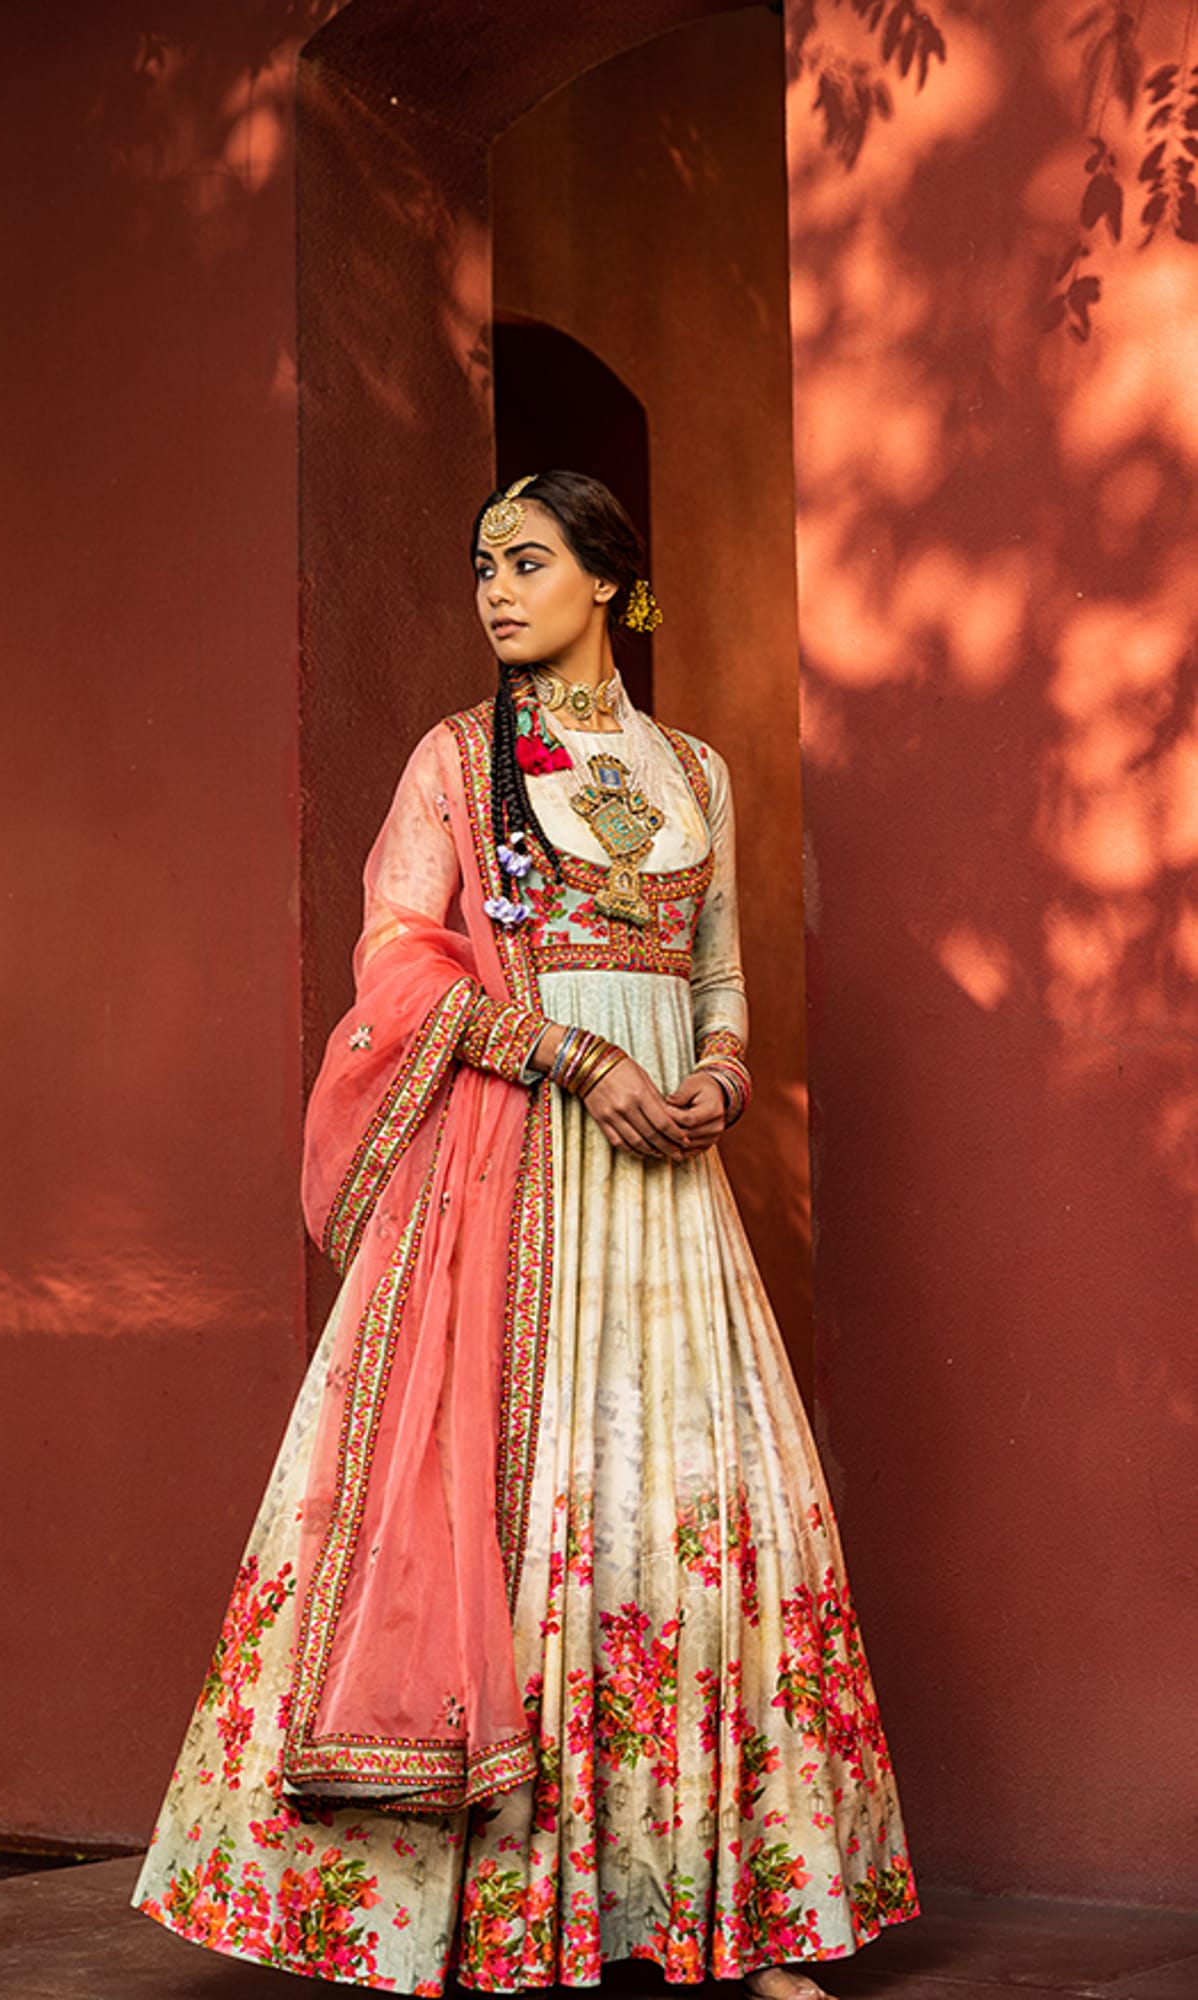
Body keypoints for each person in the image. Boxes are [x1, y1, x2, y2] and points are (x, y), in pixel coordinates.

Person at [131, 471, 919, 1998]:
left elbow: (724, 982)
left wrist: (712, 1080)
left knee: (691, 1522)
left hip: (670, 1211)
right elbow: (397, 957)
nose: (495, 589)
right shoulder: (455, 762)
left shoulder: (695, 769)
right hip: (517, 1190)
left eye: (528, 560)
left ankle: (731, 1921)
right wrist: (581, 1064)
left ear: (610, 583)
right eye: (483, 563)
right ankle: (500, 1919)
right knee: (530, 1513)